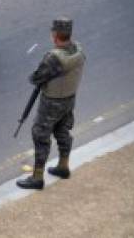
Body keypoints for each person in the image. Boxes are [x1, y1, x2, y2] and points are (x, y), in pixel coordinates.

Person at [17, 18, 86, 190]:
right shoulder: (78, 49)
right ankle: (63, 166)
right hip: (69, 99)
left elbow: (36, 77)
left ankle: (37, 177)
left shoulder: (53, 58)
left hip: (52, 102)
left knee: (40, 135)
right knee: (62, 130)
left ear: (55, 36)